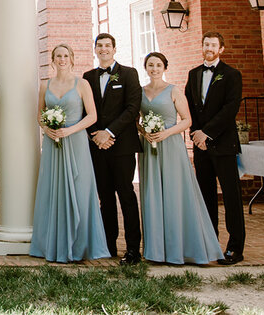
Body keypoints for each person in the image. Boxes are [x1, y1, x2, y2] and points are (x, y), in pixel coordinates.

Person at [137, 52, 222, 265]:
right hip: (149, 148)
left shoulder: (173, 90)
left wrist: (166, 133)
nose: (154, 69)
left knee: (175, 194)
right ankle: (156, 251)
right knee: (152, 194)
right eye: (150, 65)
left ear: (164, 67)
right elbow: (135, 119)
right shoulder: (140, 92)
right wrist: (143, 131)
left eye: (158, 65)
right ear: (145, 68)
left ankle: (180, 249)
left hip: (171, 146)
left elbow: (187, 121)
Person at [29, 44, 109, 263]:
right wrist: (48, 129)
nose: (62, 59)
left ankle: (81, 246)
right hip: (53, 145)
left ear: (72, 59)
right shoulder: (45, 85)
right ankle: (53, 245)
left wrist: (69, 130)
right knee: (53, 192)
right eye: (58, 56)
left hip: (76, 142)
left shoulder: (82, 84)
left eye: (65, 56)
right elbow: (39, 115)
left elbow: (92, 116)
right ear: (52, 60)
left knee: (81, 191)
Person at [184, 31, 245, 265]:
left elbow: (230, 109)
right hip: (201, 146)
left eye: (213, 44)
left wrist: (206, 133)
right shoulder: (194, 73)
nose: (209, 47)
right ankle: (210, 244)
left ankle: (235, 248)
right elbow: (190, 106)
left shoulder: (231, 75)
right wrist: (196, 134)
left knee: (231, 197)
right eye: (206, 44)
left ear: (222, 49)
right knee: (206, 196)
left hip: (223, 144)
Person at [83, 33, 142, 264]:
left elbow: (132, 108)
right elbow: (85, 109)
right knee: (104, 197)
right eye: (100, 46)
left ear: (114, 49)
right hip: (97, 146)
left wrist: (109, 132)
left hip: (122, 146)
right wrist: (96, 134)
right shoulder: (88, 76)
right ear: (95, 49)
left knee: (126, 195)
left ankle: (132, 250)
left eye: (108, 46)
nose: (104, 49)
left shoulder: (128, 73)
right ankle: (108, 245)